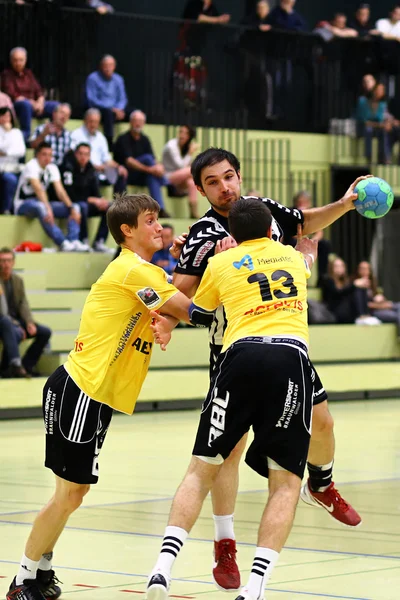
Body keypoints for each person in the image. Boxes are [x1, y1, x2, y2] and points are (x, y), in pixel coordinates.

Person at [170, 147, 363, 591]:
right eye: (214, 182)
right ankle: (225, 542)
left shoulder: (264, 213)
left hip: (287, 345)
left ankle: (322, 483)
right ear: (200, 190)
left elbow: (305, 223)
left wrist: (346, 204)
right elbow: (180, 292)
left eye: (230, 176)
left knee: (323, 421)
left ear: (239, 176)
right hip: (233, 351)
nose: (226, 186)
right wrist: (175, 305)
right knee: (229, 453)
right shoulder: (202, 235)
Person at [5, 193, 193, 600]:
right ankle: (22, 580)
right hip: (81, 389)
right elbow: (192, 310)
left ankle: (40, 571)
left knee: (72, 492)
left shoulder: (141, 272)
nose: (159, 226)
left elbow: (171, 306)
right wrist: (210, 264)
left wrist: (188, 269)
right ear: (127, 231)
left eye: (159, 219)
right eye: (150, 220)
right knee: (69, 492)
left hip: (95, 395)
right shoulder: (132, 270)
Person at [147, 198, 317, 600]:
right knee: (286, 482)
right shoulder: (292, 259)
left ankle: (162, 569)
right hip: (289, 358)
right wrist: (311, 240)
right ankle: (255, 587)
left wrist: (167, 306)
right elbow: (306, 254)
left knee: (201, 469)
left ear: (232, 234)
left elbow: (200, 314)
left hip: (238, 357)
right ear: (271, 228)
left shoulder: (220, 263)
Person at [14, 142, 89, 252]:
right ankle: (62, 242)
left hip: (43, 202)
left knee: (75, 207)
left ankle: (73, 240)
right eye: (44, 154)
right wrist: (48, 208)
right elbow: (38, 189)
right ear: (37, 155)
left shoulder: (52, 167)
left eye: (50, 155)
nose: (47, 158)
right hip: (23, 204)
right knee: (41, 207)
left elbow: (60, 191)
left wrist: (71, 208)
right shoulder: (31, 165)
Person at [0, 247, 52, 378]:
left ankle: (27, 366)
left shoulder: (18, 280)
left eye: (8, 260)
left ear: (13, 262)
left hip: (16, 321)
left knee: (44, 332)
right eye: (2, 261)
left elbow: (23, 303)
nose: (5, 264)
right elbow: (2, 313)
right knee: (10, 328)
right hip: (3, 322)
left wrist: (29, 322)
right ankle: (12, 366)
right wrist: (16, 325)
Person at [114, 110, 170, 217]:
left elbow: (154, 159)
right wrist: (151, 169)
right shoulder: (123, 138)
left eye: (140, 121)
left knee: (152, 175)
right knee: (148, 159)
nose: (138, 123)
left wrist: (158, 167)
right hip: (126, 174)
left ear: (143, 123)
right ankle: (166, 181)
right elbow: (129, 162)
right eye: (135, 121)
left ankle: (160, 209)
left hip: (141, 174)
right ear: (130, 122)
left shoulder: (145, 139)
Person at [60, 143, 112, 253]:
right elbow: (70, 193)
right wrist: (91, 199)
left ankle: (100, 241)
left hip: (88, 202)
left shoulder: (90, 168)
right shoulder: (68, 168)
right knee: (82, 206)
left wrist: (100, 200)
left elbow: (95, 191)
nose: (83, 157)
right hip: (72, 203)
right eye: (80, 154)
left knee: (110, 207)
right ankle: (83, 240)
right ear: (75, 154)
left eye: (86, 154)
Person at [0, 47, 59, 142]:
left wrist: (40, 102)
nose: (18, 63)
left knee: (56, 106)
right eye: (15, 60)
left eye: (21, 60)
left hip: (34, 106)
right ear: (11, 61)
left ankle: (55, 132)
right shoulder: (6, 75)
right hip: (19, 106)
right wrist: (33, 103)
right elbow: (13, 95)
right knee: (25, 104)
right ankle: (26, 134)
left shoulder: (28, 73)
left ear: (25, 60)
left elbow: (39, 91)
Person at [70, 108, 127, 191]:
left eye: (96, 122)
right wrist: (94, 167)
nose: (93, 124)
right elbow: (73, 157)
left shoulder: (101, 138)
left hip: (101, 171)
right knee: (92, 173)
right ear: (85, 121)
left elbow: (107, 159)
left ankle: (121, 203)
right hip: (83, 171)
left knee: (120, 173)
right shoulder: (76, 134)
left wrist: (118, 167)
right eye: (91, 121)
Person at [85, 55, 129, 149]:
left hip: (116, 109)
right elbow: (92, 99)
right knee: (108, 113)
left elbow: (123, 98)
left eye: (110, 65)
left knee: (135, 114)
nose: (108, 68)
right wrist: (112, 109)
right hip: (99, 108)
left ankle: (126, 145)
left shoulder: (118, 79)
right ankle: (109, 142)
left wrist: (119, 109)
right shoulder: (93, 78)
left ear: (114, 67)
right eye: (106, 66)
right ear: (101, 66)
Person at [321, 257, 380, 325]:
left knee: (360, 287)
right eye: (336, 266)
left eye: (341, 266)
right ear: (331, 268)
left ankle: (365, 315)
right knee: (357, 287)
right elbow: (337, 294)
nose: (339, 268)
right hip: (334, 312)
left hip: (347, 310)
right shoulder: (327, 280)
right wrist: (354, 285)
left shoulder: (345, 281)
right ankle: (361, 316)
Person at [162, 125, 199, 218]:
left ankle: (193, 212)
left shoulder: (185, 147)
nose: (182, 135)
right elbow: (181, 165)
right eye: (181, 132)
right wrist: (190, 153)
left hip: (179, 177)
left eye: (186, 133)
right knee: (192, 170)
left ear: (189, 136)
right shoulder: (171, 146)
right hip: (167, 177)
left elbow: (184, 166)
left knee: (191, 183)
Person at [354, 260, 400, 332]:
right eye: (362, 269)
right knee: (396, 314)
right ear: (358, 270)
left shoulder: (372, 283)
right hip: (373, 312)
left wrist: (382, 300)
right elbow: (366, 305)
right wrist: (385, 305)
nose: (365, 271)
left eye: (367, 269)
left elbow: (376, 298)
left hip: (380, 307)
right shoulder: (357, 285)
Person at [356, 82, 391, 164]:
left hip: (376, 128)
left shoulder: (382, 105)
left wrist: (386, 124)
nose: (380, 92)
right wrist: (380, 125)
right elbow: (365, 122)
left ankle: (383, 158)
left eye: (382, 90)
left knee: (383, 131)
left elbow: (383, 119)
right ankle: (368, 156)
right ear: (373, 90)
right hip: (362, 126)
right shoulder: (363, 102)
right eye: (379, 89)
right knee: (368, 129)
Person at [0, 106, 26, 214]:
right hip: (1, 167)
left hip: (13, 167)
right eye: (3, 116)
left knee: (16, 178)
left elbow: (21, 151)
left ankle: (13, 209)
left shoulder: (16, 133)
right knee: (9, 179)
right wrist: (6, 134)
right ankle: (5, 209)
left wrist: (6, 153)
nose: (6, 118)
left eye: (8, 116)